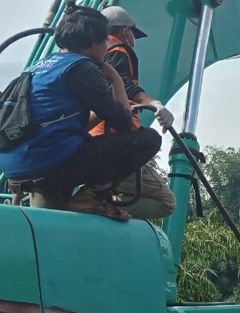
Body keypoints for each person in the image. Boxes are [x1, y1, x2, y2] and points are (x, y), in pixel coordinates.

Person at [0, 4, 161, 220]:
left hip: (15, 167)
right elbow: (123, 122)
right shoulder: (81, 68)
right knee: (148, 139)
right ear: (94, 41)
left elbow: (54, 120)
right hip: (49, 166)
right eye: (105, 41)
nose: (106, 47)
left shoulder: (39, 66)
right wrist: (114, 78)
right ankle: (90, 195)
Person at [88, 5, 175, 220]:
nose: (133, 40)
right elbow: (124, 86)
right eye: (132, 34)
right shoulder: (118, 50)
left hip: (91, 136)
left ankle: (98, 200)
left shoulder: (89, 55)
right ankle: (95, 204)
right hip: (117, 141)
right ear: (125, 30)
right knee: (166, 203)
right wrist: (154, 103)